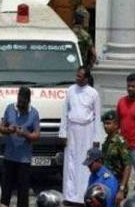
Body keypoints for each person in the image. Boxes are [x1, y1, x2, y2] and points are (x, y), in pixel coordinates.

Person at [59, 66, 103, 205]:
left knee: (84, 163)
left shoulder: (93, 93)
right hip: (72, 130)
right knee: (71, 163)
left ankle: (84, 195)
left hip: (87, 132)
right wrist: (63, 133)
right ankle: (70, 195)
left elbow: (97, 117)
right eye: (76, 75)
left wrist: (97, 139)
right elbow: (65, 112)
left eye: (80, 76)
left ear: (86, 78)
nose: (77, 78)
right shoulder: (71, 90)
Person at [0, 86, 40, 207]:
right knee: (5, 191)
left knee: (23, 193)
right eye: (19, 100)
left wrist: (25, 134)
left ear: (28, 100)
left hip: (24, 160)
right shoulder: (10, 108)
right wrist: (8, 130)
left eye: (23, 101)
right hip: (9, 158)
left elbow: (37, 135)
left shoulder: (34, 113)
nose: (20, 103)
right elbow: (1, 128)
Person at [116, 73, 135, 198]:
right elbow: (117, 123)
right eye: (128, 86)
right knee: (121, 178)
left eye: (133, 86)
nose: (130, 89)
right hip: (123, 147)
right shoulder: (121, 102)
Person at [100, 110, 130, 204]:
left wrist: (121, 189)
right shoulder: (106, 142)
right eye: (104, 124)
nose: (105, 126)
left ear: (116, 125)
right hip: (106, 182)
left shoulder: (120, 142)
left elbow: (128, 166)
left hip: (116, 184)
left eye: (108, 123)